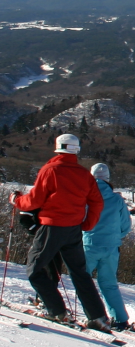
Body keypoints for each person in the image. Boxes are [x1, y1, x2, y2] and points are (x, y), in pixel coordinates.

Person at [10, 134, 110, 331]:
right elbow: (97, 201)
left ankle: (56, 311)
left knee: (35, 269)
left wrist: (17, 201)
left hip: (51, 227)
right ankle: (98, 317)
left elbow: (35, 201)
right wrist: (87, 224)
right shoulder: (84, 174)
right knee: (80, 273)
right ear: (76, 150)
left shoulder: (50, 170)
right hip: (73, 229)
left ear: (57, 149)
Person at [82, 163, 133, 332]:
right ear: (108, 179)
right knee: (109, 284)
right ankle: (120, 320)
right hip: (111, 247)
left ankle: (93, 315)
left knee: (83, 281)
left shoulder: (85, 196)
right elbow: (126, 225)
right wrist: (115, 237)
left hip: (89, 244)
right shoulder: (117, 199)